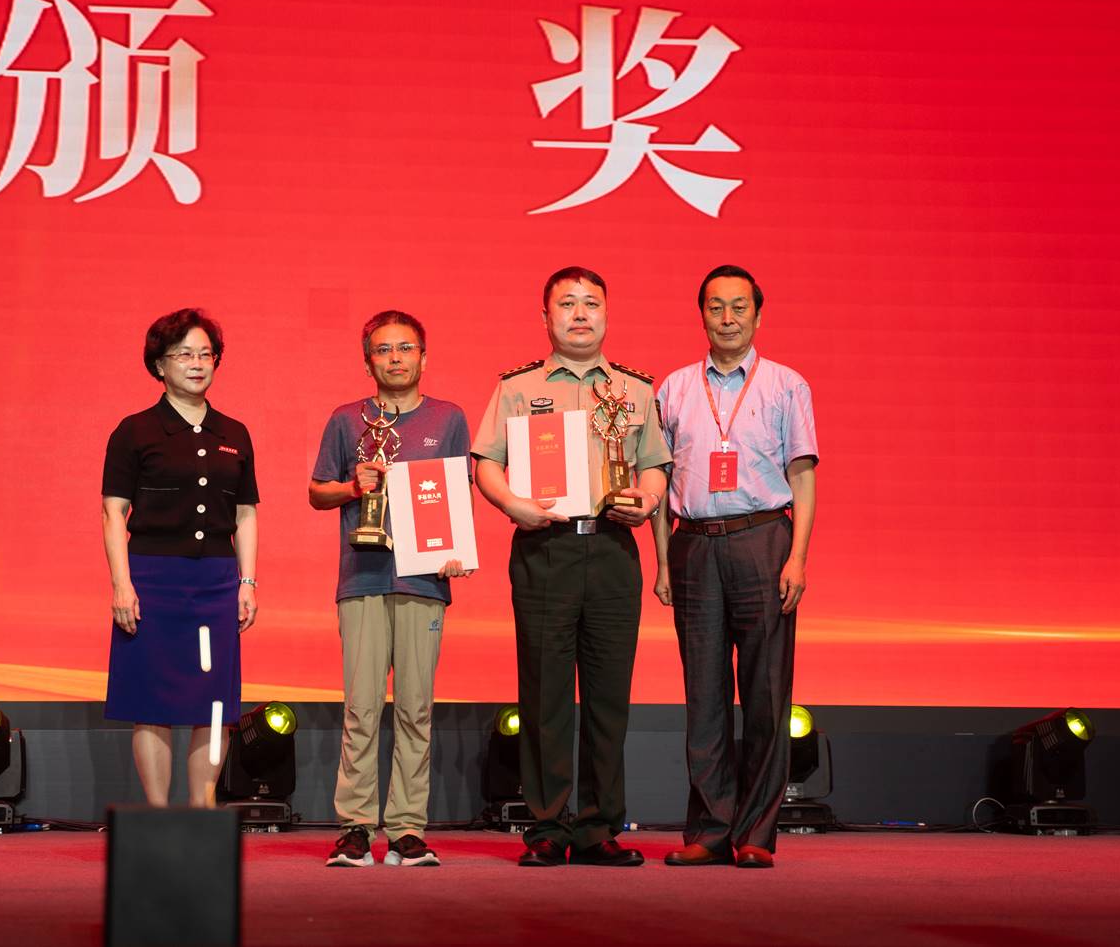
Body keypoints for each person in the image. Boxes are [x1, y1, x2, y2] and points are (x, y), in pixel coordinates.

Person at [471, 266, 670, 867]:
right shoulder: (517, 387)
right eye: (567, 304)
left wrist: (648, 500)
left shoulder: (635, 390)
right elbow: (487, 462)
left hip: (612, 549)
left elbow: (655, 464)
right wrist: (511, 503)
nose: (580, 314)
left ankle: (598, 826)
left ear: (607, 314)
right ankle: (547, 827)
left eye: (591, 304)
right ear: (546, 317)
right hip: (546, 550)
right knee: (544, 694)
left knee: (609, 697)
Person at [650, 265, 818, 869]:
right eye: (716, 307)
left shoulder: (786, 386)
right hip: (693, 545)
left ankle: (756, 834)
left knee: (767, 693)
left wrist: (797, 556)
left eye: (739, 307)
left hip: (762, 540)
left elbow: (802, 476)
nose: (727, 319)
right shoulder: (673, 388)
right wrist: (662, 560)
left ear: (758, 315)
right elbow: (658, 481)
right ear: (702, 315)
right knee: (704, 693)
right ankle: (710, 829)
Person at [310, 310, 471, 868]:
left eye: (405, 348)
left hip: (424, 580)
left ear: (424, 356)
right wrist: (352, 486)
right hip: (362, 578)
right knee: (361, 707)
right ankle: (355, 826)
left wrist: (457, 550)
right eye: (383, 350)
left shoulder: (449, 418)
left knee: (415, 708)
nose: (395, 358)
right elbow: (317, 491)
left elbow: (456, 494)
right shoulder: (346, 419)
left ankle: (406, 828)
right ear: (367, 362)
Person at [101, 308, 260, 807]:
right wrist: (122, 585)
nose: (196, 363)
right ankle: (157, 815)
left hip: (216, 583)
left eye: (205, 354)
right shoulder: (134, 431)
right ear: (159, 365)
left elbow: (246, 514)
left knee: (214, 706)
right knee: (151, 705)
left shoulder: (234, 433)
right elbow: (113, 512)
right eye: (184, 354)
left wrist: (247, 582)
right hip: (153, 581)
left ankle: (202, 812)